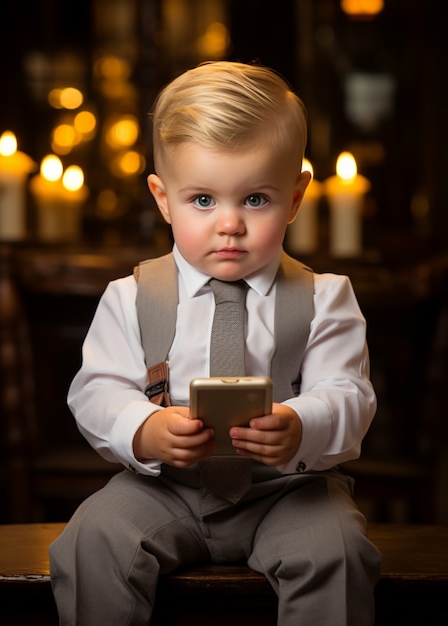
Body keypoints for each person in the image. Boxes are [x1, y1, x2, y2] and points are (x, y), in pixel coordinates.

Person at [49, 61, 381, 625]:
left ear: (296, 196)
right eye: (203, 200)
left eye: (255, 200)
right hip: (166, 489)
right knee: (94, 538)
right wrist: (144, 428)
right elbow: (96, 391)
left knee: (338, 551)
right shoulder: (130, 297)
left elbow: (348, 392)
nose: (229, 224)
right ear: (162, 197)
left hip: (286, 490)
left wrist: (301, 422)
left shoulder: (325, 297)